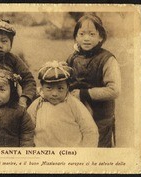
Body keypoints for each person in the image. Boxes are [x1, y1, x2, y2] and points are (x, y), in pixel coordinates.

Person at [66, 14, 121, 147]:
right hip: (77, 117)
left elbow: (114, 90)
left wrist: (84, 93)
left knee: (99, 153)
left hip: (100, 118)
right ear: (76, 37)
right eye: (82, 34)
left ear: (100, 37)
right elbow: (65, 82)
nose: (86, 38)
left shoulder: (107, 59)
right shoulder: (72, 58)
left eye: (92, 34)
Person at [27, 61, 99, 147]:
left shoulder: (74, 104)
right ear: (41, 88)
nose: (54, 93)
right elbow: (27, 129)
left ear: (67, 88)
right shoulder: (37, 105)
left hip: (71, 154)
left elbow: (90, 130)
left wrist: (85, 155)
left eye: (60, 88)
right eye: (49, 88)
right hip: (44, 153)